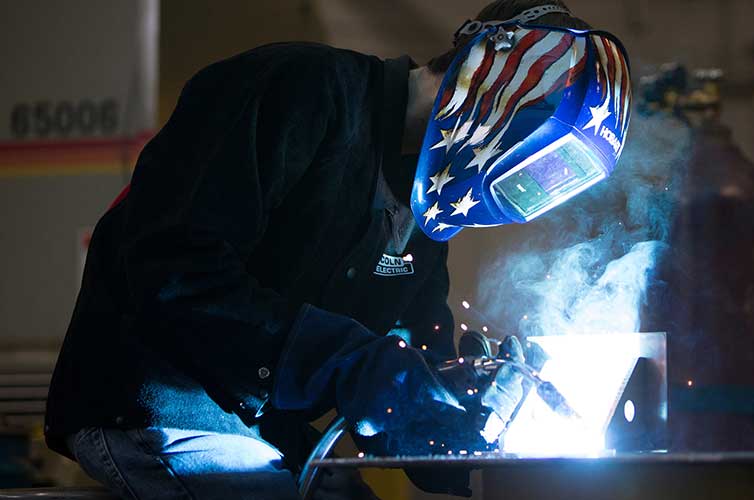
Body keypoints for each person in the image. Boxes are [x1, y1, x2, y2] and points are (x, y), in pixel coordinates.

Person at [44, 1, 631, 498]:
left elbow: (409, 362)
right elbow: (169, 266)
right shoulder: (298, 88)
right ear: (498, 82)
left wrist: (458, 406)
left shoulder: (428, 216)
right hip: (154, 408)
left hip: (268, 435)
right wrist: (346, 360)